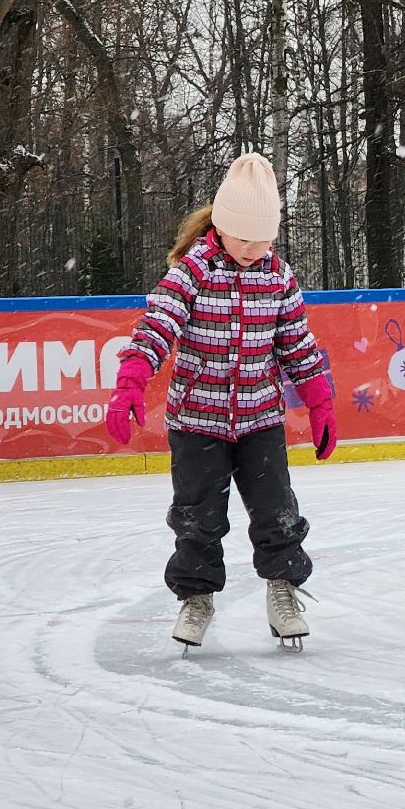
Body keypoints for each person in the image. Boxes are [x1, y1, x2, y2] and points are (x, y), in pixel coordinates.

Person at [105, 153, 339, 652]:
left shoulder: (278, 276)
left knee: (278, 513)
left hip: (260, 419)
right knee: (197, 518)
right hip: (196, 422)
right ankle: (196, 598)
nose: (255, 250)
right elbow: (156, 328)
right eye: (244, 239)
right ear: (222, 226)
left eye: (265, 239)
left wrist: (320, 403)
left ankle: (283, 591)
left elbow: (297, 344)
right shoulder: (192, 272)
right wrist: (130, 382)